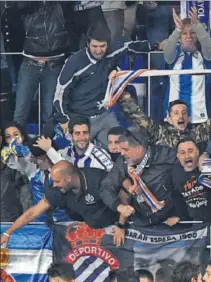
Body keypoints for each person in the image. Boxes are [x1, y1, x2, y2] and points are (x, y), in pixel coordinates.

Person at [53, 21, 162, 150]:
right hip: (81, 120)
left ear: (108, 44)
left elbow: (132, 46)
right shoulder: (74, 62)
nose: (99, 50)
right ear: (88, 43)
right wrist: (64, 120)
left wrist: (158, 45)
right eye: (94, 46)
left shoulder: (113, 50)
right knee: (78, 158)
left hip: (104, 115)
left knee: (120, 150)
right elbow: (59, 94)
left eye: (102, 46)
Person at [0, 161, 122, 249]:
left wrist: (121, 225)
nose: (54, 185)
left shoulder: (98, 179)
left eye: (57, 181)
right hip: (92, 231)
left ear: (68, 178)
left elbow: (124, 199)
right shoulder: (58, 191)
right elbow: (33, 212)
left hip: (116, 229)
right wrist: (8, 232)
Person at [119, 82, 211, 151]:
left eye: (184, 113)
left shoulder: (199, 133)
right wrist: (124, 97)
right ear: (169, 119)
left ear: (190, 118)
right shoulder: (160, 134)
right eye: (175, 113)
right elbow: (139, 118)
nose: (181, 116)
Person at [100, 129, 182, 228]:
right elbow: (106, 187)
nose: (121, 153)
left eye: (125, 149)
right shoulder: (123, 162)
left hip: (171, 221)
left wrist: (179, 213)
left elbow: (189, 171)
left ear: (139, 149)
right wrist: (119, 206)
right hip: (141, 222)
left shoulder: (164, 155)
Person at [13, 1, 69, 134]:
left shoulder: (59, 4)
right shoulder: (27, 5)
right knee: (20, 112)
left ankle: (47, 149)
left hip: (54, 63)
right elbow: (18, 7)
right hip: (30, 62)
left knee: (49, 113)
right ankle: (14, 150)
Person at [163, 7, 211, 124]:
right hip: (175, 119)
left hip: (200, 117)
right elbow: (167, 51)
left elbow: (207, 44)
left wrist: (197, 26)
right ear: (179, 38)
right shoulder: (174, 55)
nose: (189, 36)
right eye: (184, 33)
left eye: (192, 33)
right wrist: (177, 30)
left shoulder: (204, 56)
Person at [34, 117, 113, 172]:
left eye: (85, 133)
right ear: (70, 135)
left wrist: (49, 149)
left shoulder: (99, 156)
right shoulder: (67, 152)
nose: (82, 137)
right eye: (77, 133)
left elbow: (69, 172)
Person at [172, 138, 211, 224]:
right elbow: (177, 200)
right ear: (178, 156)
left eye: (190, 151)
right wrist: (176, 216)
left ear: (197, 152)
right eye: (183, 153)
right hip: (192, 226)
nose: (187, 156)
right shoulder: (175, 174)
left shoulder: (209, 166)